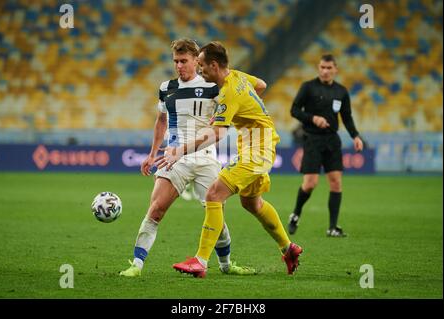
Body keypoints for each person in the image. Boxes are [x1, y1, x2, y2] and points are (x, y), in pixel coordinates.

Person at [156, 41, 303, 278]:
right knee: (251, 203)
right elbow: (261, 85)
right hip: (259, 145)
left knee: (213, 194)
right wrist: (245, 109)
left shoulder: (227, 94)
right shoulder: (237, 76)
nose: (200, 70)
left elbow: (217, 134)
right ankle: (289, 248)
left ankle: (200, 261)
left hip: (257, 151)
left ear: (214, 65)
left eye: (202, 65)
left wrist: (180, 150)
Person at [119, 38, 256, 277]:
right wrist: (152, 154)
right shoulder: (166, 88)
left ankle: (226, 265)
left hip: (205, 158)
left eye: (184, 61)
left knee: (217, 218)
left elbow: (234, 106)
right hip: (174, 158)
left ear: (196, 60)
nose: (179, 66)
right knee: (156, 209)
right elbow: (161, 120)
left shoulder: (215, 85)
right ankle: (136, 265)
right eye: (176, 61)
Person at [288, 54, 364, 237]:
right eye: (322, 67)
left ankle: (332, 227)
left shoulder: (341, 91)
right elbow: (294, 110)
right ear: (318, 68)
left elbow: (346, 116)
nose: (325, 71)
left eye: (329, 68)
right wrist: (313, 118)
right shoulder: (308, 87)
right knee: (310, 183)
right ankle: (296, 214)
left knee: (336, 182)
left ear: (335, 69)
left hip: (332, 140)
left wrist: (355, 136)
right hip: (313, 139)